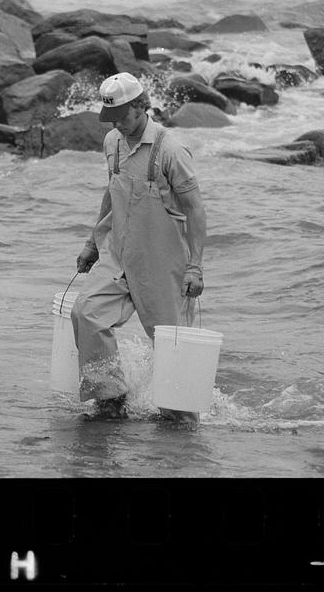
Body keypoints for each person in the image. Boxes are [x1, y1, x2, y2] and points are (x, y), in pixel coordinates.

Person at [70, 72, 207, 422]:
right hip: (118, 252)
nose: (116, 123)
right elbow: (111, 192)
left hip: (161, 262)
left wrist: (195, 266)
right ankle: (110, 399)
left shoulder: (171, 150)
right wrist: (92, 242)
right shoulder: (112, 142)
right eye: (110, 117)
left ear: (142, 106)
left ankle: (181, 425)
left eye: (122, 116)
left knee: (170, 345)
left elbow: (195, 210)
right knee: (85, 312)